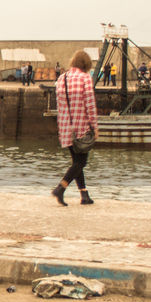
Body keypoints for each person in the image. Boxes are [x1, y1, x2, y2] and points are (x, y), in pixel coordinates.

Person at [52, 50, 99, 207]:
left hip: (65, 127)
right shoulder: (85, 78)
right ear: (86, 64)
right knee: (81, 162)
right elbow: (90, 106)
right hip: (81, 126)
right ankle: (61, 188)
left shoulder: (61, 78)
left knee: (77, 161)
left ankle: (84, 195)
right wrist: (94, 127)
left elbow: (59, 103)